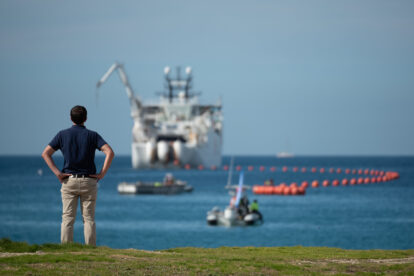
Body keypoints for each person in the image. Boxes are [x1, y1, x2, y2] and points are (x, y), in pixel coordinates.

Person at [41, 105, 114, 246]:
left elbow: (46, 154)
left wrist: (58, 173)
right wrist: (102, 173)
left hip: (69, 181)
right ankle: (90, 249)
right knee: (88, 219)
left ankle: (67, 249)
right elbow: (109, 152)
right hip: (89, 181)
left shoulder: (62, 135)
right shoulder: (92, 135)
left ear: (70, 118)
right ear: (85, 119)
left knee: (68, 218)